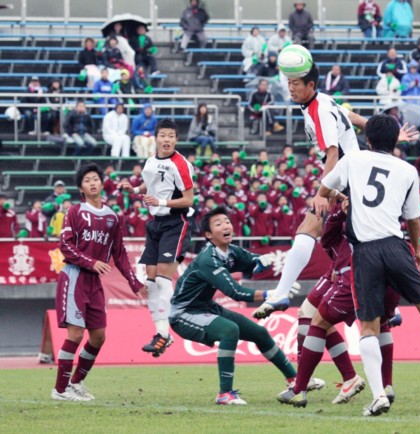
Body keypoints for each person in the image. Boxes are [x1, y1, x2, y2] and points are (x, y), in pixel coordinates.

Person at [318, 114, 420, 416]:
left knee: (369, 326)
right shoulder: (408, 170)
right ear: (395, 142)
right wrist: (418, 252)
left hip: (365, 251)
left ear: (368, 139)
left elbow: (325, 189)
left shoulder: (354, 160)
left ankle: (379, 396)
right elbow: (413, 219)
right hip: (396, 244)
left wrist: (343, 196)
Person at [253, 53, 418, 319]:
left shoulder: (318, 111)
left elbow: (332, 153)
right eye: (289, 82)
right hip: (352, 178)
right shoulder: (324, 100)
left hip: (346, 178)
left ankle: (282, 292)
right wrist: (390, 134)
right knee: (359, 241)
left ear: (310, 85)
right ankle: (390, 308)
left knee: (310, 228)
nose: (291, 88)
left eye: (296, 83)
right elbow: (352, 116)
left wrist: (323, 192)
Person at [169, 207, 311, 405]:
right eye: (218, 224)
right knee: (230, 330)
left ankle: (294, 380)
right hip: (183, 314)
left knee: (259, 333)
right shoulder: (208, 259)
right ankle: (224, 394)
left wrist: (260, 260)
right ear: (208, 235)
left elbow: (251, 261)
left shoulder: (231, 251)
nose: (226, 226)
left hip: (207, 307)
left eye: (227, 221)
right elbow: (236, 292)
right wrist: (272, 294)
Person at [278, 201, 402, 408]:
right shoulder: (375, 215)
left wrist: (337, 209)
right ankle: (384, 385)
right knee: (379, 322)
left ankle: (301, 388)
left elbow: (329, 234)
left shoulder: (335, 221)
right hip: (381, 269)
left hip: (353, 272)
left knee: (316, 319)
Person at [51, 163, 144, 401]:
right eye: (87, 180)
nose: (92, 183)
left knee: (99, 337)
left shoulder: (113, 217)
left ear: (102, 183)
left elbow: (120, 254)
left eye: (95, 179)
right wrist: (91, 262)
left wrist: (134, 282)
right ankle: (60, 390)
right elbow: (65, 246)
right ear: (81, 188)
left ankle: (76, 383)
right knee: (75, 334)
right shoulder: (75, 211)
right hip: (74, 276)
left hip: (94, 282)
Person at [119, 119, 194, 358]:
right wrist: (134, 190)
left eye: (171, 136)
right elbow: (150, 185)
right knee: (150, 280)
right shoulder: (151, 162)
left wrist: (160, 201)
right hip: (155, 224)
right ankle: (161, 333)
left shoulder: (181, 164)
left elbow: (189, 199)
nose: (166, 140)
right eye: (163, 135)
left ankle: (167, 329)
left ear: (176, 139)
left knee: (162, 276)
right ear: (156, 138)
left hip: (175, 222)